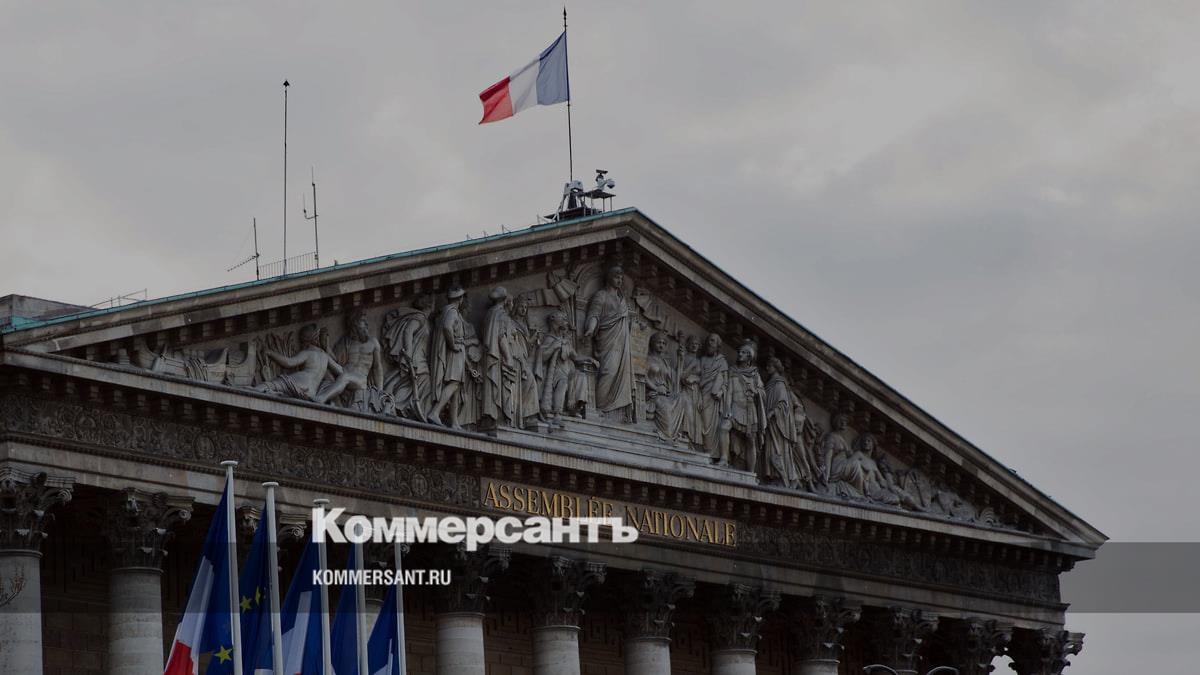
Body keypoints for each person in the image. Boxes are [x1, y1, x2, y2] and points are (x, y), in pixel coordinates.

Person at [583, 264, 634, 416]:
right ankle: (600, 407)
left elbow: (626, 321)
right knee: (608, 371)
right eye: (616, 277)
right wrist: (590, 329)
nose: (619, 280)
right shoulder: (601, 295)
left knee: (622, 374)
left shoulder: (622, 299)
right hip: (607, 341)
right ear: (609, 278)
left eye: (621, 278)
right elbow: (594, 314)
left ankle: (616, 411)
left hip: (622, 343)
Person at [381, 294, 434, 421]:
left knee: (408, 383)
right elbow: (408, 331)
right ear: (430, 305)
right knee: (422, 382)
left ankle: (395, 405)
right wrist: (408, 354)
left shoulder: (425, 320)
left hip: (419, 358)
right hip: (415, 359)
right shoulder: (420, 317)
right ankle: (396, 405)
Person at [256, 324, 341, 402]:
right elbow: (340, 371)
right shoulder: (326, 357)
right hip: (311, 392)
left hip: (299, 382)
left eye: (301, 341)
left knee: (272, 384)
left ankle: (254, 391)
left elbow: (289, 362)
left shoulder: (308, 353)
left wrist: (270, 353)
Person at [536, 310, 594, 419]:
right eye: (561, 318)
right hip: (555, 373)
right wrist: (553, 346)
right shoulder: (549, 339)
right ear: (553, 321)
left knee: (581, 376)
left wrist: (590, 358)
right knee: (563, 382)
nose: (564, 321)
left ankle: (575, 408)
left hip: (568, 371)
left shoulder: (566, 342)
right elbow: (542, 357)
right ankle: (557, 411)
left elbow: (575, 357)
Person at [327, 308, 385, 407]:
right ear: (354, 324)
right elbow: (335, 360)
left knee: (345, 377)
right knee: (325, 364)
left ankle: (321, 398)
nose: (367, 324)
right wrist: (326, 348)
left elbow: (377, 367)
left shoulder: (373, 343)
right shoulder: (345, 342)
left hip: (360, 379)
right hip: (344, 374)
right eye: (362, 320)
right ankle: (336, 403)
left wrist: (380, 391)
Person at [428, 287, 468, 428]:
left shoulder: (449, 311)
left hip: (458, 351)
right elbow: (447, 327)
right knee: (454, 383)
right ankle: (435, 412)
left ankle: (454, 421)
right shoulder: (452, 312)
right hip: (455, 351)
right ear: (460, 299)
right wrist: (453, 345)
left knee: (456, 386)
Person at [762, 357, 804, 489]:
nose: (767, 368)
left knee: (779, 450)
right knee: (772, 450)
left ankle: (784, 477)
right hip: (770, 424)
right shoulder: (769, 384)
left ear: (776, 367)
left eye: (769, 366)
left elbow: (783, 404)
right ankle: (774, 476)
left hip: (778, 425)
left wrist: (773, 412)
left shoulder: (779, 384)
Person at [725, 341, 767, 474]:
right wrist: (727, 409)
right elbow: (729, 391)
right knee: (730, 432)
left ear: (749, 357)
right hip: (735, 408)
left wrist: (755, 391)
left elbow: (762, 392)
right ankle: (729, 461)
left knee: (751, 440)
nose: (739, 354)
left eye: (743, 352)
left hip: (749, 410)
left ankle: (750, 472)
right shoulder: (732, 371)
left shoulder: (754, 374)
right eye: (739, 352)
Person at [644, 331, 690, 442]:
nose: (661, 345)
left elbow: (674, 378)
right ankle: (667, 435)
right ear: (652, 343)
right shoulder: (648, 359)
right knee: (664, 405)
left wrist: (681, 359)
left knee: (684, 398)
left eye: (664, 343)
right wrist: (656, 388)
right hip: (652, 394)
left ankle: (682, 434)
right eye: (659, 342)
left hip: (665, 394)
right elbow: (642, 377)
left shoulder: (664, 362)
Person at [480, 287, 516, 427]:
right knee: (498, 386)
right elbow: (501, 336)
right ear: (506, 301)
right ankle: (498, 416)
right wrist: (508, 357)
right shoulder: (502, 315)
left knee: (490, 385)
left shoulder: (490, 313)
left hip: (488, 356)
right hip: (497, 357)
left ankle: (490, 415)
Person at [697, 333, 730, 462]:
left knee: (713, 426)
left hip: (715, 399)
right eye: (708, 341)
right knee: (704, 424)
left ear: (718, 345)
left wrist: (721, 391)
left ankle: (710, 453)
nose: (709, 343)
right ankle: (705, 451)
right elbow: (698, 376)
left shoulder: (722, 362)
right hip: (703, 394)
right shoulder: (702, 360)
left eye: (712, 341)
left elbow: (726, 382)